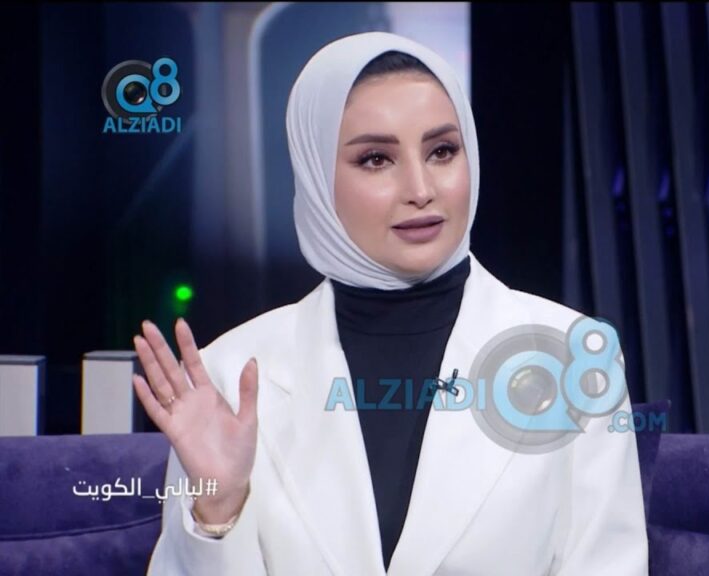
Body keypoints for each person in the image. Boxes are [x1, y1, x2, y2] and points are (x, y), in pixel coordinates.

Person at [134, 31, 648, 576]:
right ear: (315, 175)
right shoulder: (230, 372)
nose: (420, 188)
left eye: (442, 151)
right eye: (376, 159)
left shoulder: (573, 357)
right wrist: (217, 511)